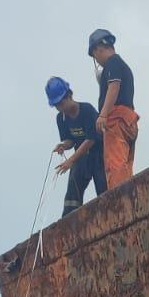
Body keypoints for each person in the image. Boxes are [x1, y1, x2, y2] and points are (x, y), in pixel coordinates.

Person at [47, 76, 107, 215]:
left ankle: (108, 216)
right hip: (81, 157)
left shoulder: (87, 110)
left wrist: (70, 161)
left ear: (69, 96)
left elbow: (91, 139)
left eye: (61, 104)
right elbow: (71, 139)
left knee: (103, 188)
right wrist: (63, 146)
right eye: (56, 106)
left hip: (99, 154)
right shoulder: (61, 118)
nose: (60, 108)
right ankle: (69, 223)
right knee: (73, 192)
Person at [89, 29, 139, 188]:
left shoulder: (113, 63)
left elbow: (114, 87)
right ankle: (130, 200)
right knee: (125, 167)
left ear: (98, 48)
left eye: (94, 56)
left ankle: (122, 202)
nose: (97, 60)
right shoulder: (122, 65)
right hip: (129, 120)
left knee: (116, 166)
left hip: (116, 120)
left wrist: (103, 115)